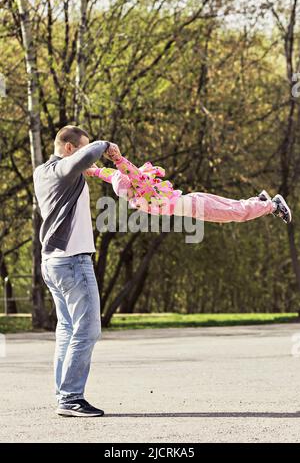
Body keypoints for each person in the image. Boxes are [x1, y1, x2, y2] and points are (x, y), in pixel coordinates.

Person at [33, 125, 119, 417]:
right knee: (88, 329)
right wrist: (105, 145)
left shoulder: (41, 172)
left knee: (67, 330)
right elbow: (85, 159)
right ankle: (71, 398)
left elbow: (83, 164)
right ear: (69, 148)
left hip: (53, 262)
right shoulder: (61, 171)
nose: (90, 162)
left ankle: (64, 395)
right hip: (72, 261)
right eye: (82, 151)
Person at [86, 146, 292, 224]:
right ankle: (261, 201)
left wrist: (118, 159)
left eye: (128, 193)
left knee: (236, 214)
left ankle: (273, 205)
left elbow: (132, 175)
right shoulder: (135, 191)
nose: (128, 197)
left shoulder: (143, 192)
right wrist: (94, 170)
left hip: (197, 207)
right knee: (233, 207)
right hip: (193, 201)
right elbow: (114, 176)